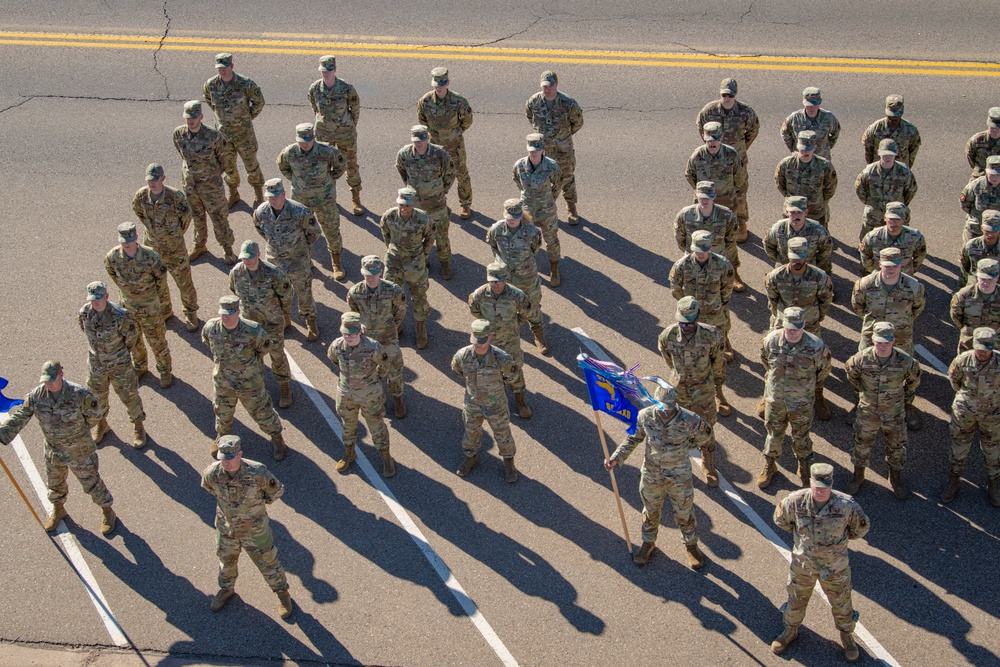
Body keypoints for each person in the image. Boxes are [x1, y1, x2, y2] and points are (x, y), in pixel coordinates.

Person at [0, 361, 116, 535]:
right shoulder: (37, 396)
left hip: (79, 450)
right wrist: (2, 434)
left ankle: (108, 511)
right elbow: (20, 417)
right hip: (54, 451)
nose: (48, 384)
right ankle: (59, 509)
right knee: (55, 485)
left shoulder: (79, 394)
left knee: (92, 483)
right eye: (46, 380)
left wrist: (78, 433)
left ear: (61, 375)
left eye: (52, 380)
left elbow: (95, 415)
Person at [604, 382, 709, 570]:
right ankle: (648, 543)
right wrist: (616, 457)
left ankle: (691, 546)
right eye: (662, 406)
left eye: (669, 407)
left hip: (679, 476)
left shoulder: (689, 419)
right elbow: (634, 438)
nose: (665, 411)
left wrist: (686, 446)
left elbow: (705, 435)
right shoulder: (645, 416)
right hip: (652, 474)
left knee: (684, 513)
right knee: (650, 512)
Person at [771, 463, 870, 663]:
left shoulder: (846, 505)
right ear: (810, 483)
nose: (821, 491)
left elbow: (861, 528)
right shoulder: (794, 501)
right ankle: (790, 631)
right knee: (796, 600)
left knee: (842, 604)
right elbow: (780, 520)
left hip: (835, 569)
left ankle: (846, 636)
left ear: (832, 484)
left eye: (825, 488)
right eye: (817, 487)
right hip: (803, 566)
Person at [201, 435, 293, 619]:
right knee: (226, 561)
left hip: (255, 531)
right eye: (222, 458)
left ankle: (282, 593)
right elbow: (209, 488)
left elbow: (276, 492)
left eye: (230, 458)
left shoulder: (258, 472)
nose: (225, 463)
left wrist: (255, 509)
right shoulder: (212, 473)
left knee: (268, 562)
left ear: (239, 454)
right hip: (227, 529)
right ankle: (226, 589)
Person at [756, 307, 833, 489]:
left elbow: (823, 371)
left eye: (796, 328)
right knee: (773, 434)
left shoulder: (816, 347)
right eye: (789, 328)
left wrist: (807, 389)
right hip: (776, 400)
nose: (792, 332)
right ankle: (770, 465)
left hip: (801, 403)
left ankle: (804, 467)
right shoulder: (771, 341)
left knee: (801, 436)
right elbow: (765, 362)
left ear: (804, 325)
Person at [202, 296, 286, 461]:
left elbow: (265, 348)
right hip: (223, 382)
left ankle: (277, 438)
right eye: (223, 313)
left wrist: (249, 367)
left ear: (238, 312)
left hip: (250, 384)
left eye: (230, 314)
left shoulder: (253, 330)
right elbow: (206, 342)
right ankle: (222, 436)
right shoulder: (211, 328)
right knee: (222, 412)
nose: (226, 317)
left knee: (263, 413)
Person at [844, 322, 921, 499]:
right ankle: (858, 476)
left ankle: (895, 478)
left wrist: (903, 398)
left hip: (894, 413)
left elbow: (913, 381)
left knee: (896, 446)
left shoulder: (905, 361)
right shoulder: (860, 359)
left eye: (886, 342)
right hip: (867, 411)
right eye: (879, 342)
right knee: (861, 444)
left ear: (893, 340)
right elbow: (851, 375)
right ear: (873, 340)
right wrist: (863, 392)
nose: (882, 346)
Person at [851, 247, 925, 430]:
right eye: (887, 265)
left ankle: (906, 405)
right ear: (879, 264)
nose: (891, 269)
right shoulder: (865, 284)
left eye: (895, 265)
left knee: (905, 371)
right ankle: (861, 405)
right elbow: (858, 306)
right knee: (865, 370)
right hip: (872, 337)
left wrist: (901, 324)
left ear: (901, 264)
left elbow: (917, 308)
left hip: (901, 337)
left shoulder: (914, 286)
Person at [657, 296, 726, 488]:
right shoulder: (667, 335)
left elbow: (717, 362)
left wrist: (712, 382)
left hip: (703, 390)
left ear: (697, 318)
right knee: (677, 427)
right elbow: (668, 359)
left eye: (689, 323)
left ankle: (708, 460)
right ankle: (679, 462)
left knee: (706, 427)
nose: (685, 326)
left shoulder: (711, 335)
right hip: (679, 391)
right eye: (682, 322)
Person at [763, 237, 835, 421]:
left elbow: (826, 300)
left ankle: (818, 395)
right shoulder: (775, 277)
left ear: (807, 256)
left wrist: (818, 316)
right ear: (788, 255)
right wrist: (778, 317)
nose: (797, 261)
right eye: (794, 257)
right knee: (775, 361)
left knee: (814, 362)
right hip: (782, 325)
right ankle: (769, 395)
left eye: (801, 257)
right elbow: (773, 300)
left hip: (809, 325)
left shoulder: (819, 277)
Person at [104, 221, 173, 389]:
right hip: (128, 308)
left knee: (157, 340)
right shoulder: (112, 257)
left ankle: (164, 370)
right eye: (123, 240)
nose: (126, 243)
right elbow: (112, 275)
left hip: (150, 308)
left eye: (129, 239)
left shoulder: (151, 256)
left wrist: (159, 302)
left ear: (136, 237)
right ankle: (141, 366)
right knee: (134, 340)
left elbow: (161, 281)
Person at [131, 163, 199, 332]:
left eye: (155, 180)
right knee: (159, 283)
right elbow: (139, 213)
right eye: (149, 180)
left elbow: (186, 218)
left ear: (163, 178)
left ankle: (190, 312)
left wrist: (173, 234)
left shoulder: (175, 197)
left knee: (184, 283)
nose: (151, 183)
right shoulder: (141, 196)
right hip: (153, 249)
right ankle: (166, 310)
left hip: (174, 249)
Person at [78, 281, 146, 448]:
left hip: (119, 364)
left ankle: (138, 426)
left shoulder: (119, 315)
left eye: (99, 299)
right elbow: (83, 329)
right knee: (96, 398)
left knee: (129, 396)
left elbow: (131, 337)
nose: (95, 302)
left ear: (107, 296)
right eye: (92, 299)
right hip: (97, 366)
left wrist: (119, 354)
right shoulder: (85, 313)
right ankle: (102, 424)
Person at [252, 178, 322, 341]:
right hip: (274, 261)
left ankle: (310, 320)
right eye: (270, 196)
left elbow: (314, 232)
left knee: (303, 292)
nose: (273, 199)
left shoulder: (300, 212)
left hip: (297, 261)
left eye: (276, 195)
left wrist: (302, 248)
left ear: (284, 193)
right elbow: (260, 230)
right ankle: (285, 318)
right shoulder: (261, 212)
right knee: (278, 292)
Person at [277, 122, 348, 280]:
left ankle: (336, 261)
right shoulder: (289, 152)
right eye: (302, 141)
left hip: (325, 199)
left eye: (308, 140)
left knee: (331, 230)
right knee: (301, 232)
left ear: (314, 137)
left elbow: (341, 165)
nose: (305, 144)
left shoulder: (327, 151)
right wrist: (296, 181)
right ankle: (307, 262)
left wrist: (329, 180)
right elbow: (283, 167)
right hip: (301, 200)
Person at [450, 320, 519, 482]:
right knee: (471, 432)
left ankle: (509, 461)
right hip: (472, 402)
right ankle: (471, 457)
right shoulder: (463, 355)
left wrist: (495, 389)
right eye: (476, 341)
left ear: (490, 337)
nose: (478, 345)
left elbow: (512, 376)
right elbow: (457, 369)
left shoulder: (502, 358)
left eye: (482, 341)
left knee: (503, 434)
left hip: (495, 404)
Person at [229, 240, 295, 408]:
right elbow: (233, 290)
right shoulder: (236, 273)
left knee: (277, 355)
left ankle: (284, 386)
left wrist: (282, 314)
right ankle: (258, 388)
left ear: (258, 255)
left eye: (250, 257)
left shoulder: (273, 273)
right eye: (244, 258)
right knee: (252, 357)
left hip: (271, 322)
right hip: (249, 324)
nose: (247, 261)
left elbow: (286, 295)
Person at [327, 312, 394, 477]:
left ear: (360, 332)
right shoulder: (336, 346)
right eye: (345, 334)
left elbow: (385, 365)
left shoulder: (373, 347)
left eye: (352, 334)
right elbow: (333, 359)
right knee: (347, 426)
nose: (348, 337)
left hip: (370, 396)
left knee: (376, 427)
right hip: (346, 395)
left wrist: (375, 379)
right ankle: (349, 453)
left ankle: (386, 458)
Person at [172, 100, 236, 264]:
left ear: (201, 116)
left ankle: (228, 250)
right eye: (188, 117)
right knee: (197, 217)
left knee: (219, 218)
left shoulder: (213, 137)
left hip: (211, 188)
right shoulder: (179, 134)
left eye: (194, 117)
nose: (191, 120)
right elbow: (183, 156)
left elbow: (225, 161)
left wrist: (209, 176)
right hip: (191, 187)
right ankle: (199, 245)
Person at [943, 327, 1000, 506]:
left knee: (992, 452)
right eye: (979, 347)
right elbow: (954, 381)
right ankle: (953, 483)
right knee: (958, 449)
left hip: (992, 415)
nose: (982, 352)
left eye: (987, 348)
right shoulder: (962, 360)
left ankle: (993, 485)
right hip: (965, 414)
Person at [468, 262, 532, 419]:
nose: (495, 284)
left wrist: (513, 325)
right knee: (489, 369)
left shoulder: (517, 295)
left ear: (506, 279)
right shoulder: (479, 294)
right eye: (492, 281)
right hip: (488, 341)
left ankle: (520, 398)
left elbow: (526, 312)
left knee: (515, 367)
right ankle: (495, 399)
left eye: (499, 280)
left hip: (510, 340)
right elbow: (474, 310)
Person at [347, 256, 408, 419]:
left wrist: (392, 325)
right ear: (362, 272)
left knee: (394, 368)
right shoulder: (355, 293)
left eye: (374, 273)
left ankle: (397, 398)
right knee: (369, 370)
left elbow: (400, 310)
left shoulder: (393, 290)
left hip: (388, 336)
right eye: (367, 274)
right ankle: (375, 398)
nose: (371, 277)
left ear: (381, 271)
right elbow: (354, 313)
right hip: (367, 338)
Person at [203, 52, 266, 208]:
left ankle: (258, 194)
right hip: (224, 136)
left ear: (232, 66)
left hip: (244, 135)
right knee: (229, 167)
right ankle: (233, 193)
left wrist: (246, 118)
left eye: (225, 67)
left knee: (251, 166)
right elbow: (210, 101)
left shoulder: (245, 84)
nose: (222, 71)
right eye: (219, 68)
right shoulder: (211, 85)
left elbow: (259, 102)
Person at [487, 198, 548, 354]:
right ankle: (509, 337)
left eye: (515, 218)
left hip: (526, 277)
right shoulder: (496, 229)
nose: (512, 221)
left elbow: (535, 250)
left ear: (521, 215)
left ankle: (538, 334)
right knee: (505, 307)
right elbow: (493, 247)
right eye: (509, 218)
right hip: (504, 278)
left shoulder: (532, 231)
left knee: (532, 306)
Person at [396, 124, 455, 279]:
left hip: (437, 204)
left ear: (428, 138)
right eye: (416, 141)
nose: (419, 144)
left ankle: (445, 264)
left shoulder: (440, 154)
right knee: (418, 235)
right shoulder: (405, 154)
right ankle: (424, 260)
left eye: (422, 140)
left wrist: (442, 190)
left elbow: (450, 173)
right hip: (416, 205)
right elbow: (402, 171)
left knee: (441, 236)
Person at [380, 186, 435, 349]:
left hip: (415, 262)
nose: (404, 208)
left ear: (414, 204)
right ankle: (396, 326)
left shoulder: (423, 219)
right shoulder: (389, 216)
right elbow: (385, 234)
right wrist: (392, 249)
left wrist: (423, 255)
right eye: (401, 205)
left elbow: (430, 237)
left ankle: (420, 329)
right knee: (392, 294)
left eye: (407, 205)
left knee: (418, 295)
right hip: (394, 261)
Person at [525, 70, 583, 224]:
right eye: (544, 86)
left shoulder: (568, 103)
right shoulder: (534, 102)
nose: (547, 89)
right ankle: (546, 210)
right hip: (543, 150)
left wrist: (562, 136)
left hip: (562, 149)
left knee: (567, 178)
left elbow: (577, 123)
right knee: (544, 180)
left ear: (556, 84)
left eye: (550, 86)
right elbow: (530, 117)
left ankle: (571, 208)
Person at [308, 55, 363, 215]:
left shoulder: (346, 88)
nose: (326, 73)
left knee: (350, 165)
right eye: (323, 70)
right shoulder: (315, 89)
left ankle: (356, 197)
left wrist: (350, 126)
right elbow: (314, 107)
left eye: (329, 70)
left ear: (335, 70)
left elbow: (355, 108)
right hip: (324, 135)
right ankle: (329, 198)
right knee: (325, 167)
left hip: (345, 134)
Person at [670, 230, 736, 361]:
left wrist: (721, 302)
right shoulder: (682, 265)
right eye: (697, 250)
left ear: (710, 246)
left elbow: (727, 286)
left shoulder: (722, 264)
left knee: (720, 330)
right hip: (692, 311)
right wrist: (685, 305)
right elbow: (675, 286)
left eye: (703, 249)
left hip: (714, 308)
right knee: (694, 334)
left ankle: (721, 348)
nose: (700, 253)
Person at [418, 67, 474, 219]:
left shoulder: (459, 101)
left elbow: (467, 121)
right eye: (437, 84)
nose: (439, 87)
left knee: (461, 174)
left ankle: (465, 204)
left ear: (448, 83)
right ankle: (440, 204)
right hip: (436, 147)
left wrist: (454, 133)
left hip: (454, 145)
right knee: (437, 176)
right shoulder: (426, 101)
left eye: (442, 84)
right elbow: (422, 121)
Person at [674, 181, 744, 292]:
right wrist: (690, 251)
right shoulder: (685, 215)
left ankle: (733, 275)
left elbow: (731, 238)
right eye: (702, 197)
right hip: (695, 256)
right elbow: (680, 237)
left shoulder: (725, 215)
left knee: (721, 286)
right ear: (696, 196)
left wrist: (723, 253)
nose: (705, 201)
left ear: (714, 196)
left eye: (708, 197)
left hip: (719, 255)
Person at [513, 133, 563, 286]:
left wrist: (549, 199)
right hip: (527, 210)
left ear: (542, 149)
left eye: (537, 149)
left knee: (551, 239)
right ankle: (528, 268)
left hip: (546, 210)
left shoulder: (551, 166)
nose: (533, 153)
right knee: (526, 239)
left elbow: (558, 184)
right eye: (531, 150)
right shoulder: (520, 165)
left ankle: (554, 268)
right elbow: (517, 181)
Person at [685, 122, 748, 242]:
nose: (712, 143)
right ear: (703, 137)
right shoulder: (697, 155)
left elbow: (740, 175)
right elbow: (689, 174)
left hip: (726, 197)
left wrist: (732, 189)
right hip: (704, 197)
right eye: (709, 140)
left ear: (722, 137)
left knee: (728, 227)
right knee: (702, 226)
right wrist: (700, 190)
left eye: (715, 139)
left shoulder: (731, 154)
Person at [854, 138, 918, 240]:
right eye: (885, 154)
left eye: (890, 154)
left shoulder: (905, 172)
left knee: (900, 242)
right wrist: (870, 202)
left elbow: (911, 190)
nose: (888, 157)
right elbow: (860, 189)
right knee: (867, 243)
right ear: (878, 152)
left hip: (896, 214)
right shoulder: (868, 172)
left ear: (896, 153)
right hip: (874, 213)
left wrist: (900, 204)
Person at [774, 130, 838, 229]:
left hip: (815, 210)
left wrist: (818, 201)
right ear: (797, 147)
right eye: (802, 149)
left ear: (815, 147)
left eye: (808, 149)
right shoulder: (785, 165)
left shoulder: (825, 166)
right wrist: (791, 198)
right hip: (793, 211)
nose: (805, 152)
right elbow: (780, 184)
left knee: (819, 239)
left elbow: (830, 187)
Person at [763, 196, 833, 275]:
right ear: (787, 212)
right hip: (785, 267)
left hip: (808, 267)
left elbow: (826, 249)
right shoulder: (777, 229)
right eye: (793, 212)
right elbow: (768, 246)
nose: (796, 216)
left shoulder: (817, 230)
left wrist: (815, 263)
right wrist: (780, 260)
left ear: (806, 212)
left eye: (799, 212)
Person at [858, 202, 926, 276]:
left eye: (898, 219)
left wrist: (910, 270)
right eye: (891, 219)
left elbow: (920, 255)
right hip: (880, 277)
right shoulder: (872, 237)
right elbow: (865, 255)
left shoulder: (914, 237)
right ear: (885, 218)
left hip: (904, 277)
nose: (894, 222)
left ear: (904, 219)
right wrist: (874, 270)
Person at [950, 258, 1000, 354]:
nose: (986, 283)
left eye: (990, 279)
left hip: (996, 344)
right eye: (983, 279)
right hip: (969, 342)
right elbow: (956, 316)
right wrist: (968, 329)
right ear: (977, 277)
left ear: (997, 277)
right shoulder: (963, 295)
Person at [780, 87, 840, 160]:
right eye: (809, 105)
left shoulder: (828, 118)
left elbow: (836, 132)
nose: (812, 108)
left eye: (815, 105)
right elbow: (784, 132)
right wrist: (793, 148)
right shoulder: (794, 118)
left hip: (821, 161)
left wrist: (826, 147)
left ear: (820, 102)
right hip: (801, 160)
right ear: (803, 101)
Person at [861, 95, 921, 167]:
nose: (893, 118)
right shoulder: (874, 129)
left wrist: (905, 171)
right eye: (891, 115)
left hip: (901, 173)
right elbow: (868, 152)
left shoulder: (911, 130)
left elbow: (913, 152)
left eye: (897, 115)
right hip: (879, 173)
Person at [959, 155, 1000, 243]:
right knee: (969, 250)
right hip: (976, 227)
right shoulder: (976, 185)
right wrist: (975, 216)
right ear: (986, 172)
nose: (994, 177)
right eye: (992, 174)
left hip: (997, 228)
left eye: (998, 174)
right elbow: (965, 203)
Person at [960, 210, 1000, 285]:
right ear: (981, 228)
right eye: (987, 230)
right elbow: (965, 267)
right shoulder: (970, 246)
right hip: (975, 287)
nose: (991, 235)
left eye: (994, 231)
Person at [965, 107, 1000, 181]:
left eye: (998, 127)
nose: (995, 129)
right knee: (971, 189)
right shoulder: (977, 140)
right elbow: (970, 156)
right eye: (992, 126)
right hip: (980, 174)